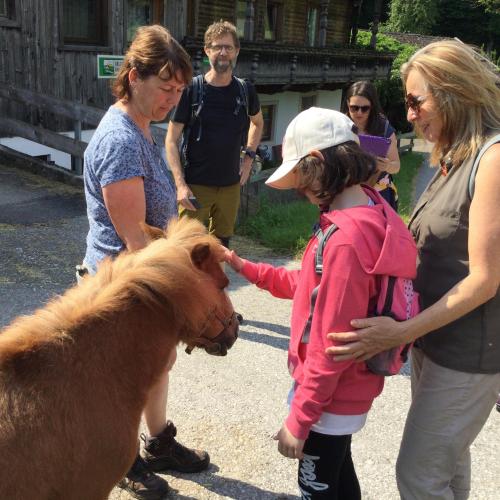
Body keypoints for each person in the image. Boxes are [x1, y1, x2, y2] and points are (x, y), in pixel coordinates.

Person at [327, 40, 500, 499]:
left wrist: (398, 333)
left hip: (467, 354)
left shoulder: (494, 159)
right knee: (447, 469)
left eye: (415, 101)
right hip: (435, 343)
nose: (409, 114)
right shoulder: (452, 160)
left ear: (451, 92)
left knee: (419, 477)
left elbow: (485, 279)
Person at [223, 107, 418, 499]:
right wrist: (242, 266)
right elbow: (313, 285)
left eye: (302, 179)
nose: (300, 190)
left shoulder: (344, 240)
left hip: (329, 402)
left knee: (316, 487)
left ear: (317, 162)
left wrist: (300, 418)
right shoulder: (371, 206)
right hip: (349, 395)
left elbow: (332, 343)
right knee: (340, 476)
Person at [81, 25, 209, 500]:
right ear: (133, 76)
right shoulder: (119, 140)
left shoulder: (141, 127)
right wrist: (180, 296)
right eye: (165, 88)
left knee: (157, 365)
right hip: (125, 281)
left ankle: (157, 444)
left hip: (144, 276)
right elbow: (134, 240)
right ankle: (124, 460)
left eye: (179, 91)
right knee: (129, 376)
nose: (171, 100)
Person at [166, 19, 264, 249]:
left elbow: (257, 123)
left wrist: (249, 158)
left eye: (228, 47)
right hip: (195, 186)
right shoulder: (192, 90)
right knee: (187, 250)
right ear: (207, 51)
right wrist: (180, 184)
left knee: (220, 249)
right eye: (217, 47)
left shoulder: (245, 90)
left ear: (236, 51)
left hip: (230, 186)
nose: (223, 52)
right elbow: (171, 139)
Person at [344, 80, 400, 210]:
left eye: (365, 108)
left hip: (379, 194)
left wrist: (387, 165)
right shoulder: (342, 126)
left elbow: (396, 166)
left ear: (372, 106)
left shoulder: (383, 128)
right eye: (354, 107)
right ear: (347, 104)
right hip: (349, 191)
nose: (359, 113)